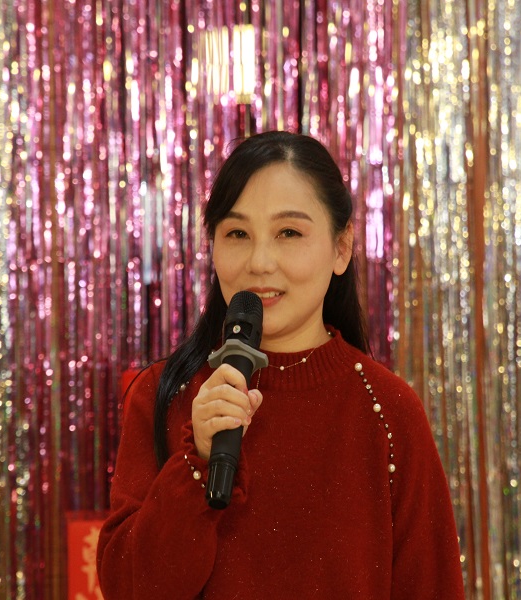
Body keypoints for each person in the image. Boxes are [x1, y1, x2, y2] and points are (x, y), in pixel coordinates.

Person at [97, 131, 464, 598]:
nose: (260, 262)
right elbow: (128, 587)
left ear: (341, 247)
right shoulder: (165, 394)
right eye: (237, 234)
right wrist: (197, 462)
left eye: (289, 233)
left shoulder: (388, 410)